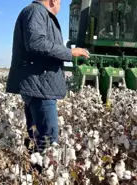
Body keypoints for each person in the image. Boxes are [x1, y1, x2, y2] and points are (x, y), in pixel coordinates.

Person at [5, 0, 89, 154]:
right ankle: (44, 174)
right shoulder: (35, 12)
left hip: (39, 85)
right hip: (40, 87)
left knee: (37, 137)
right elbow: (36, 43)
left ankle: (35, 173)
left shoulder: (38, 13)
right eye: (61, 2)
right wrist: (69, 53)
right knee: (49, 142)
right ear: (53, 0)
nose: (60, 6)